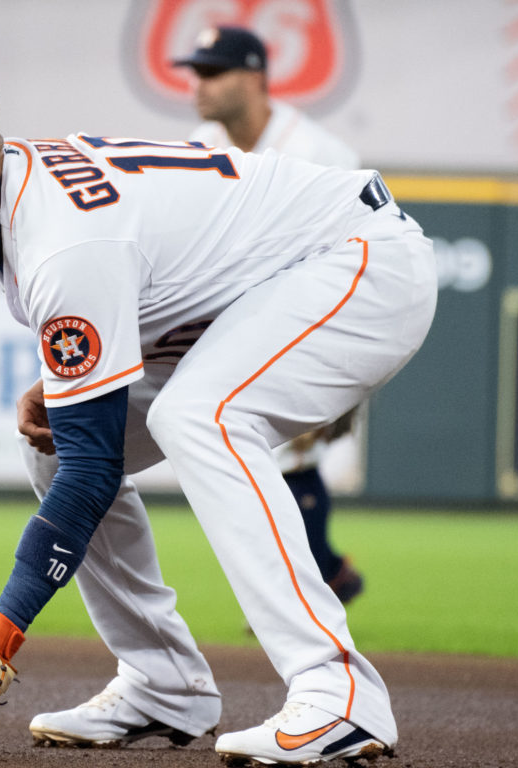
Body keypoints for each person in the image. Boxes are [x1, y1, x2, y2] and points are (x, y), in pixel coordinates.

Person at [0, 47, 437, 766]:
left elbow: (94, 469)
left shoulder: (60, 244)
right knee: (50, 438)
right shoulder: (26, 203)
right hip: (268, 283)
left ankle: (340, 697)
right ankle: (164, 684)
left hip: (357, 258)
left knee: (198, 417)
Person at [180, 25, 365, 602]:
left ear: (256, 77)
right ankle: (326, 573)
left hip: (314, 323)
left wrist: (350, 371)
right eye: (197, 72)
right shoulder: (200, 144)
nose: (200, 84)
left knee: (288, 455)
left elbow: (364, 260)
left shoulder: (319, 152)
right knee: (250, 460)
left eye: (215, 72)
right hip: (234, 324)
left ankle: (311, 587)